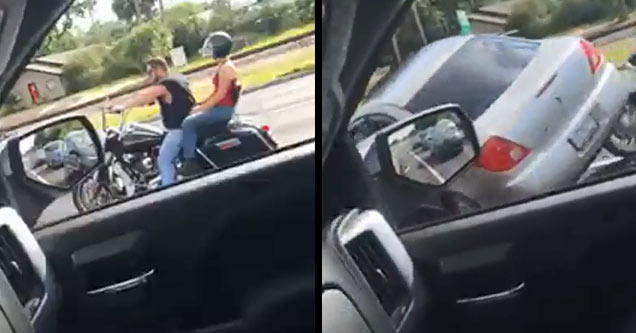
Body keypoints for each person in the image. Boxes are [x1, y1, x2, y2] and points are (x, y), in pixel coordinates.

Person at [108, 58, 194, 186]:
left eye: (150, 72)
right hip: (186, 125)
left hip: (178, 129)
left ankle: (169, 190)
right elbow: (149, 99)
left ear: (158, 69)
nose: (148, 76)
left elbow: (143, 96)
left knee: (164, 160)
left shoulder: (166, 84)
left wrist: (121, 107)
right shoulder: (177, 78)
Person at [180, 31, 240, 174]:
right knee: (192, 121)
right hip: (221, 108)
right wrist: (201, 104)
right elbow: (216, 93)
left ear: (219, 48)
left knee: (187, 123)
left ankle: (191, 162)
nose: (209, 50)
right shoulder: (224, 65)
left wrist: (202, 108)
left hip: (223, 111)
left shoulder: (226, 68)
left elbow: (221, 94)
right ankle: (199, 156)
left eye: (212, 47)